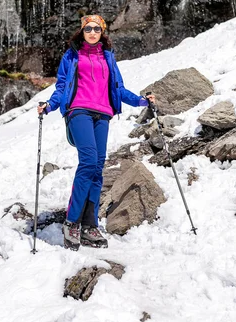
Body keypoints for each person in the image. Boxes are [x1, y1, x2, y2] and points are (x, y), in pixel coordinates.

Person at [37, 14, 155, 251]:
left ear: (102, 32)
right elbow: (61, 87)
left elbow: (118, 88)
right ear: (82, 31)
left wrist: (142, 102)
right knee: (89, 160)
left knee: (98, 165)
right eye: (88, 28)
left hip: (103, 114)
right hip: (78, 110)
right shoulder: (71, 56)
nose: (92, 32)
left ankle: (89, 224)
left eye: (97, 29)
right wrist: (49, 106)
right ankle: (72, 221)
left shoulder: (108, 57)